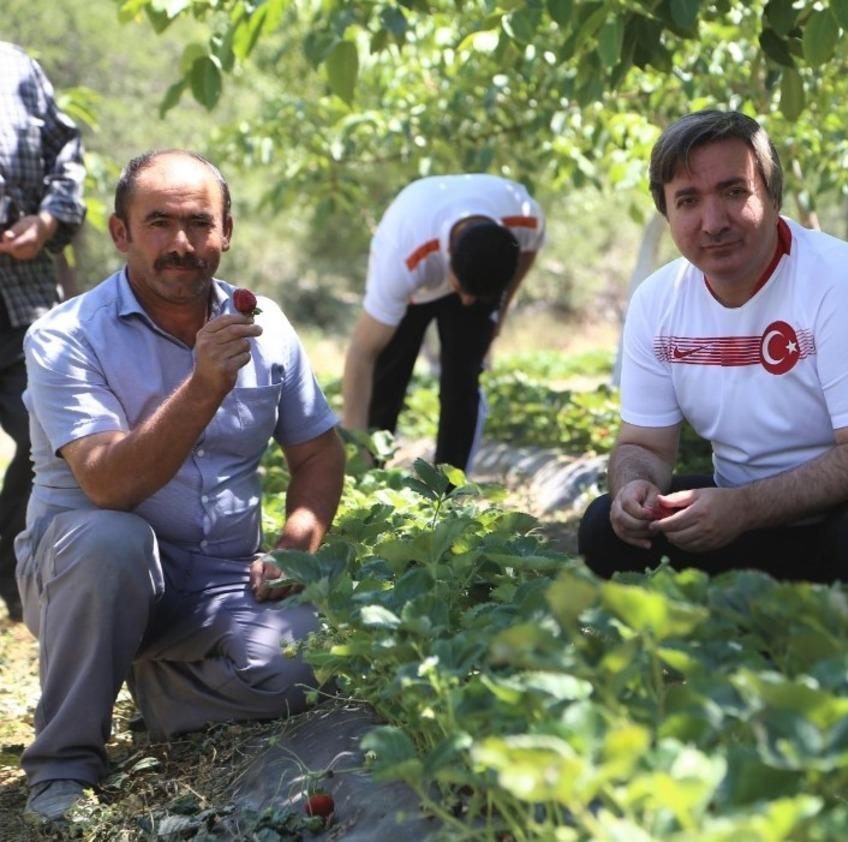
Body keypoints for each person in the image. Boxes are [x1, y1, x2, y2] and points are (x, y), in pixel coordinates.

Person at [16, 150, 345, 823]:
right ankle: (64, 764)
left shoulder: (267, 326)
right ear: (120, 233)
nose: (181, 244)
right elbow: (109, 483)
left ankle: (157, 689)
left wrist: (298, 543)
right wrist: (204, 385)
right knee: (113, 539)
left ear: (227, 233)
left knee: (308, 671)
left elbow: (317, 452)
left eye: (200, 224)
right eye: (158, 223)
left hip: (218, 581)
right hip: (87, 576)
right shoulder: (66, 336)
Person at [578, 110, 848, 617]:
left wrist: (743, 508)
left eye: (733, 192)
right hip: (753, 514)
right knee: (605, 530)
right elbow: (643, 445)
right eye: (688, 201)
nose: (713, 221)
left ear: (772, 195)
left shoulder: (840, 280)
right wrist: (635, 487)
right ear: (667, 213)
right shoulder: (658, 301)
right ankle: (718, 661)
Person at [341, 174, 544, 470]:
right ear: (447, 260)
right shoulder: (401, 259)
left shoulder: (522, 215)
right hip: (415, 275)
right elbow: (361, 354)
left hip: (477, 269)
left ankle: (449, 490)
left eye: (475, 297)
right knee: (389, 374)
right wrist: (355, 449)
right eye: (461, 292)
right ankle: (370, 472)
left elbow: (528, 252)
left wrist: (500, 312)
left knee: (463, 379)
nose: (465, 303)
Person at [0, 42, 86, 623]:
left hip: (19, 294)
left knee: (52, 442)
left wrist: (49, 219)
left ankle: (14, 579)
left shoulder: (18, 67)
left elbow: (67, 154)